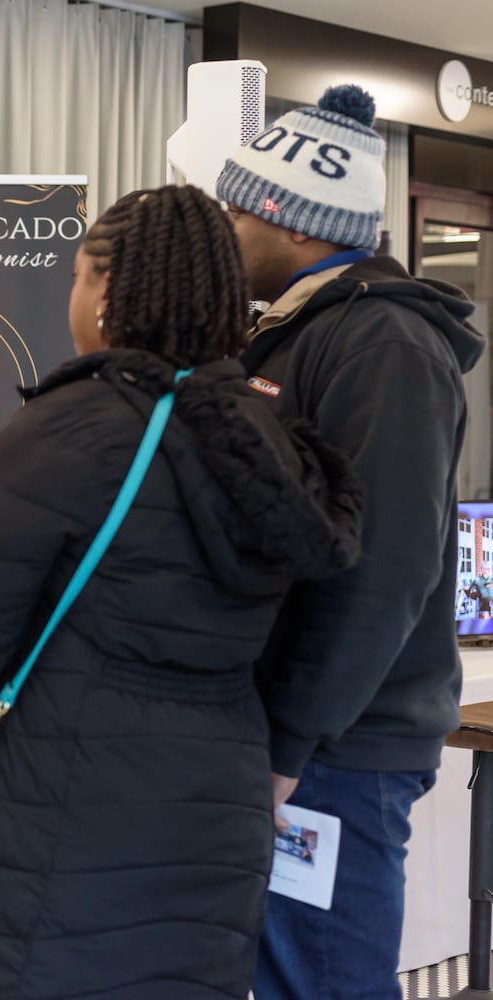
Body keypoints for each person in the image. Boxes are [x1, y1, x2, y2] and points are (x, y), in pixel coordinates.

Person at [0, 185, 363, 999]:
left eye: (80, 277)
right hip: (223, 803)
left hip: (65, 808)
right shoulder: (269, 436)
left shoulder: (61, 428)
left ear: (110, 290)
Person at [216, 84, 486, 1000]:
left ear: (287, 220)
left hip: (340, 751)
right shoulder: (293, 332)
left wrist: (291, 743)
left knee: (321, 982)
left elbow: (382, 568)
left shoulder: (385, 345)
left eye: (235, 209)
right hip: (301, 739)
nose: (225, 230)